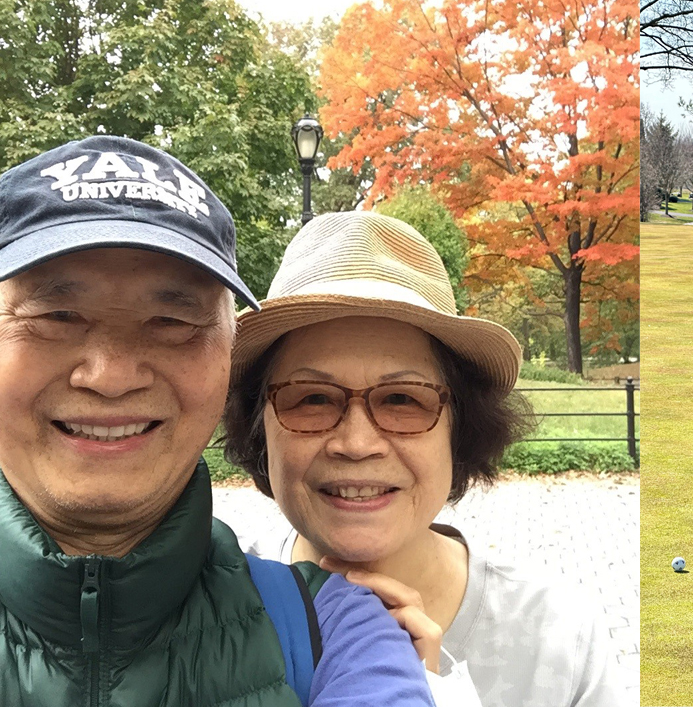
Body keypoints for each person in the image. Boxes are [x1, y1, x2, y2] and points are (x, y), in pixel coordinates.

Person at [0, 136, 435, 706]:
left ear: (227, 362)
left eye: (173, 319)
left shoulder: (337, 631)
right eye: (57, 314)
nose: (110, 375)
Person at [222, 210, 622, 707]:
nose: (357, 442)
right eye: (313, 398)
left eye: (402, 400)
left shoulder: (556, 639)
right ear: (260, 427)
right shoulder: (209, 611)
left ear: (461, 428)